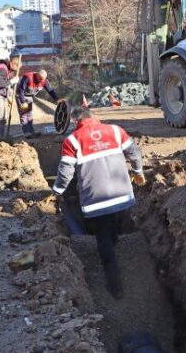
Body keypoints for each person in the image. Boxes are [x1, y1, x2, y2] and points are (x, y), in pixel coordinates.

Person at [52, 107, 146, 299]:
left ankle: (114, 283)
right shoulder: (115, 130)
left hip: (96, 200)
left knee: (102, 236)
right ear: (94, 117)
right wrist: (138, 172)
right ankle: (116, 244)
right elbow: (134, 153)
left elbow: (66, 172)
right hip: (122, 195)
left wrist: (57, 192)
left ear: (75, 122)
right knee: (111, 222)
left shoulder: (72, 140)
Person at [16, 69, 58, 138]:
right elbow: (21, 91)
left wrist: (57, 99)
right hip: (21, 96)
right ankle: (26, 132)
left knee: (29, 114)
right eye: (39, 79)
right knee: (24, 114)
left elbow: (50, 91)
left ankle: (31, 131)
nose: (40, 81)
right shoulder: (27, 77)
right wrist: (23, 103)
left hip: (30, 97)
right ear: (37, 75)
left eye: (42, 79)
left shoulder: (44, 81)